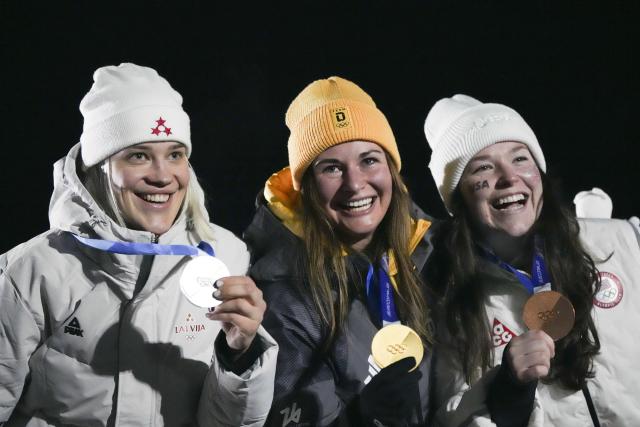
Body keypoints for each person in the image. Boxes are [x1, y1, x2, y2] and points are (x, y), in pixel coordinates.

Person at [0, 63, 277, 426]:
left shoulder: (226, 255)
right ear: (99, 167)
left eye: (175, 154)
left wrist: (239, 354)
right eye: (138, 155)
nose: (163, 176)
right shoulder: (32, 271)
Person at [423, 94, 640, 426]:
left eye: (520, 159)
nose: (510, 177)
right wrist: (508, 388)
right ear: (459, 197)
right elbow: (453, 420)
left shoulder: (625, 242)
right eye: (483, 167)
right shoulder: (451, 302)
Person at [243, 76, 434, 426]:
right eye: (332, 167)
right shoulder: (284, 293)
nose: (355, 183)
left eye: (370, 160)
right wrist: (360, 415)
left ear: (392, 169)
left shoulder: (428, 254)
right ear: (308, 187)